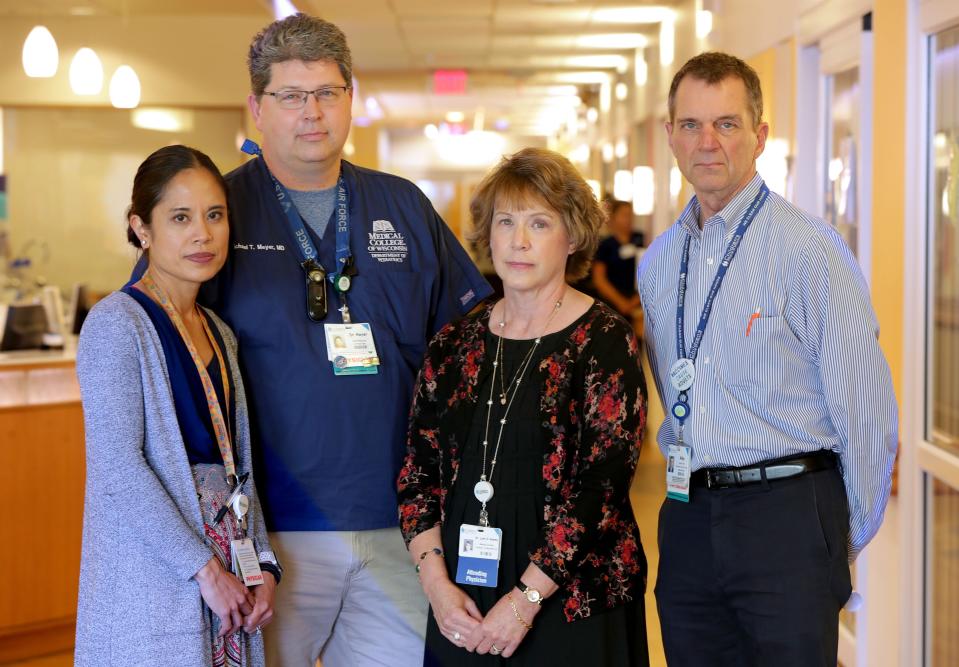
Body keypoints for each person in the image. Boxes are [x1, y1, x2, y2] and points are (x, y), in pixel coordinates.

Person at [186, 13, 492, 667]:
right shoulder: (216, 212)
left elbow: (470, 347)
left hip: (401, 525)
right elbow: (167, 354)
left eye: (327, 92)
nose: (312, 112)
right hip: (269, 533)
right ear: (256, 107)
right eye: (291, 96)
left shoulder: (402, 206)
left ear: (350, 98)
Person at [637, 51, 898, 666]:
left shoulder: (810, 250)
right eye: (691, 125)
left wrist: (835, 537)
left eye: (726, 124)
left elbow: (866, 408)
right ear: (669, 136)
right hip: (688, 519)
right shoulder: (659, 264)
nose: (707, 142)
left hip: (786, 517)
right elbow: (672, 383)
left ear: (759, 137)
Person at [399, 147, 649, 666]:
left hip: (569, 601)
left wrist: (526, 599)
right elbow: (416, 474)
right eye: (505, 221)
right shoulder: (453, 344)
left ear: (574, 235)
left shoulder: (604, 341)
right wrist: (436, 586)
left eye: (539, 223)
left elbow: (600, 489)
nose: (518, 240)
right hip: (464, 598)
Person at [75, 145, 278, 666]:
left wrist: (263, 569)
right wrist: (204, 571)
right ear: (142, 228)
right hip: (162, 575)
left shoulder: (220, 332)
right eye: (181, 218)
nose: (203, 234)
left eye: (215, 215)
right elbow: (118, 467)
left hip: (230, 578)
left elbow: (240, 471)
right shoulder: (116, 324)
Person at [592, 200, 644, 317]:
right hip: (612, 302)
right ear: (613, 218)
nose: (629, 219)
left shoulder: (640, 239)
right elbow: (599, 280)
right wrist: (622, 303)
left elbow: (650, 271)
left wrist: (635, 301)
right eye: (624, 215)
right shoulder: (606, 245)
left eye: (631, 215)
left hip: (637, 300)